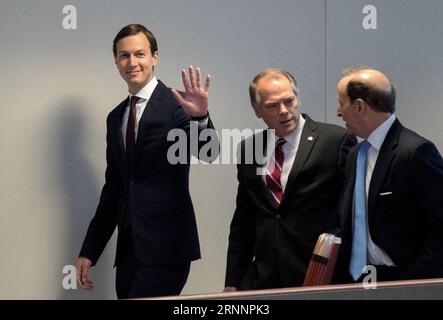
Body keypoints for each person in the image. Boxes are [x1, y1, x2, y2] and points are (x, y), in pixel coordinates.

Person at [76, 24, 215, 299]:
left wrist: (200, 117)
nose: (132, 62)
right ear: (116, 62)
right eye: (124, 55)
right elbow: (113, 189)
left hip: (168, 248)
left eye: (139, 54)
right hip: (129, 252)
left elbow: (208, 153)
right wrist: (89, 251)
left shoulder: (178, 104)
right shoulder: (116, 117)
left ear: (155, 57)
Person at [224, 68, 355, 291]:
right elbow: (244, 219)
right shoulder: (250, 148)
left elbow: (349, 212)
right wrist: (233, 281)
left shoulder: (335, 140)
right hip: (263, 276)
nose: (284, 111)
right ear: (257, 111)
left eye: (289, 101)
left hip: (318, 273)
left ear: (298, 98)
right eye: (273, 106)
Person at [333, 67, 443, 283]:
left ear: (359, 106)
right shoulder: (356, 154)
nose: (338, 112)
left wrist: (411, 283)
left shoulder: (415, 152)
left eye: (341, 103)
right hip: (358, 281)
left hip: (403, 281)